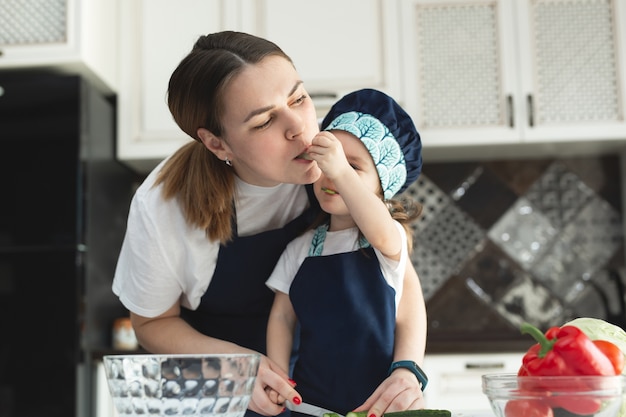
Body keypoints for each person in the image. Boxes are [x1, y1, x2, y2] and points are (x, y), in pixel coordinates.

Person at [112, 30, 427, 417]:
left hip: (313, 383)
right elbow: (150, 322)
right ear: (218, 144)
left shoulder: (332, 173)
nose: (299, 127)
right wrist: (236, 367)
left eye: (299, 98)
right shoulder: (163, 205)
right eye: (264, 121)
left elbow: (400, 272)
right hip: (213, 385)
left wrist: (409, 368)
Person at [266, 89, 426, 416]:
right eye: (325, 162)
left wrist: (340, 170)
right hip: (310, 405)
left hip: (381, 406)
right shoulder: (300, 249)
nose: (332, 175)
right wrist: (278, 376)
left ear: (382, 187)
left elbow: (379, 228)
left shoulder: (386, 237)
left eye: (353, 167)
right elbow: (282, 316)